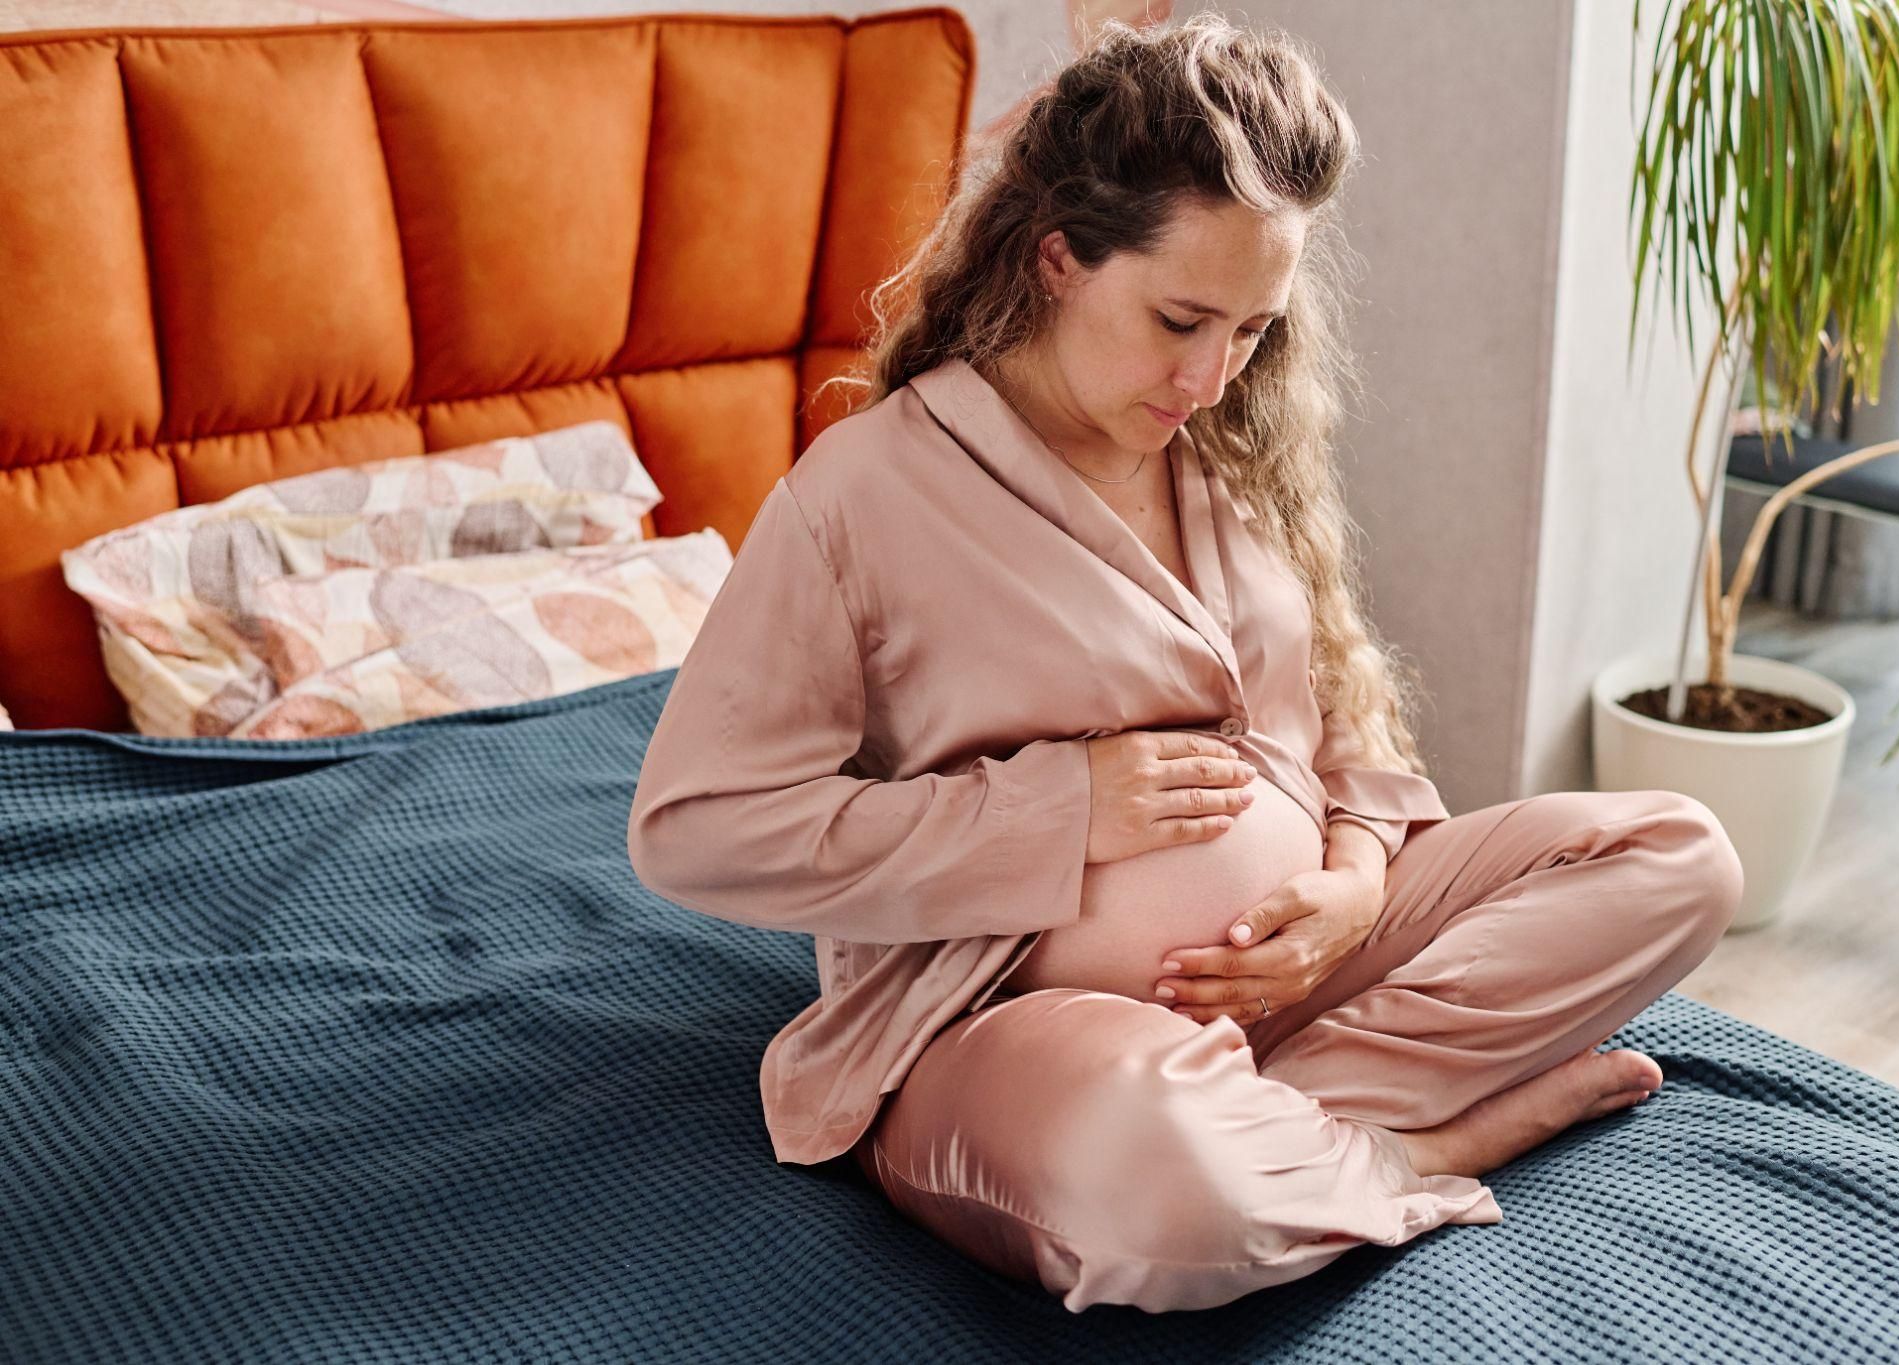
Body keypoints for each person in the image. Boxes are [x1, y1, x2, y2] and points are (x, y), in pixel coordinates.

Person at [627, 12, 1743, 1314]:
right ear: (1057, 256)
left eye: (1257, 328)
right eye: (1181, 318)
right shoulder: (867, 495)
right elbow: (696, 828)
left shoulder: (1228, 448)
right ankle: (1395, 1141)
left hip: (1310, 974)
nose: (1214, 375)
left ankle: (1288, 1135)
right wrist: (1058, 808)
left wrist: (1350, 878)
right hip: (1015, 1029)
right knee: (1157, 1181)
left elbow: (1342, 718)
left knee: (1679, 858)